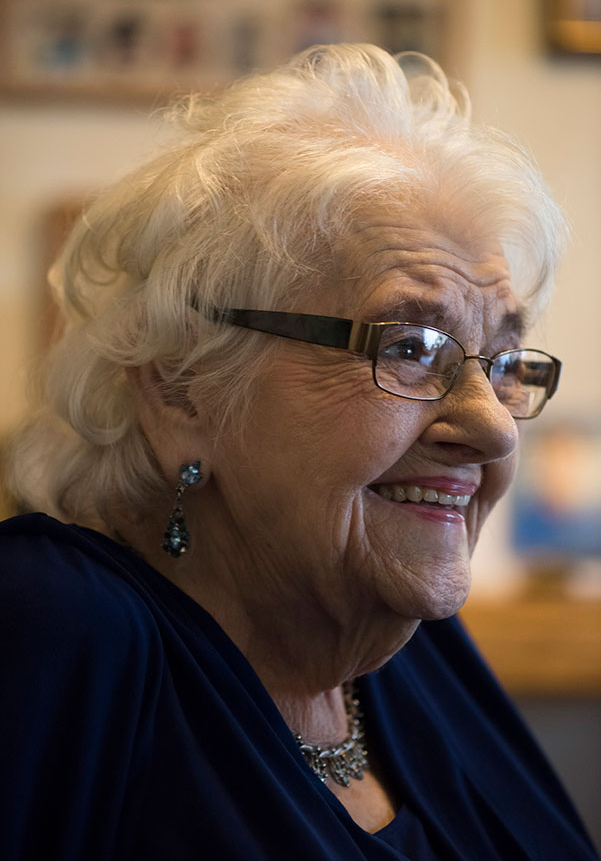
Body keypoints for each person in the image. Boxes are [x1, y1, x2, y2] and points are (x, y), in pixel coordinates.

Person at [1, 44, 597, 861]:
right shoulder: (48, 624)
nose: (493, 427)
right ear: (182, 387)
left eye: (501, 364)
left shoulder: (410, 638)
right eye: (410, 347)